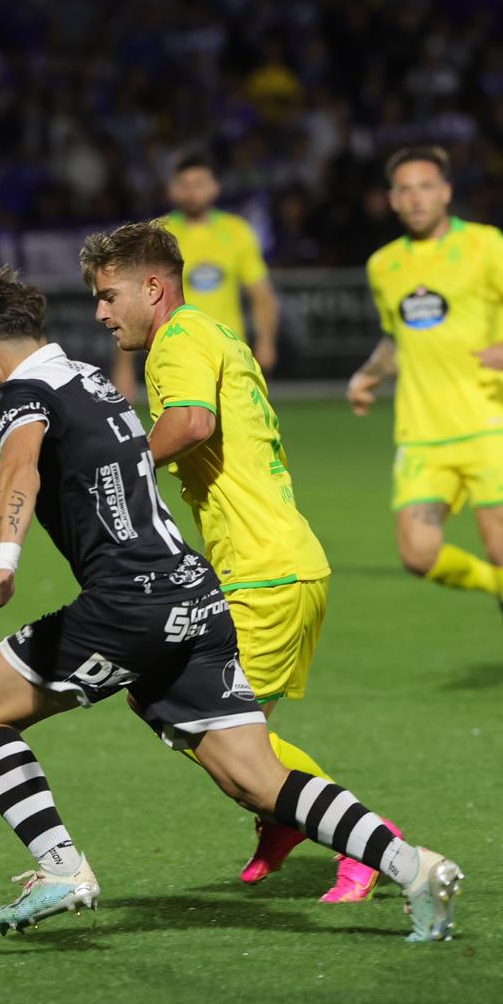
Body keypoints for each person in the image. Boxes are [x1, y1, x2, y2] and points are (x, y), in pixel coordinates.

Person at [0, 266, 464, 941]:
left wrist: (5, 561)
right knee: (256, 779)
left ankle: (61, 868)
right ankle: (416, 867)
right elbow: (43, 470)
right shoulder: (88, 382)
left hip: (126, 604)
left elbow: (23, 468)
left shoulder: (20, 392)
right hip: (193, 597)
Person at [83, 219, 395, 903]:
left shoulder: (178, 342)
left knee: (219, 736)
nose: (101, 313)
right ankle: (281, 819)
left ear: (154, 287)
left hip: (267, 572)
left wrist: (117, 471)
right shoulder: (217, 334)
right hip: (271, 562)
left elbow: (192, 423)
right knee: (160, 697)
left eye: (109, 296)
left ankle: (372, 843)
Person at [346, 145, 503, 704]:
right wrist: (368, 377)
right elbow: (397, 340)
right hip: (420, 431)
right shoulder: (384, 265)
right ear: (393, 201)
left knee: (500, 541)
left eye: (426, 187)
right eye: (405, 190)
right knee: (417, 554)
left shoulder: (486, 245)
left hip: (488, 421)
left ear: (446, 192)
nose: (416, 198)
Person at [111, 150, 279, 401]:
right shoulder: (159, 235)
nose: (192, 192)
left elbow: (261, 295)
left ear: (215, 188)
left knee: (238, 436)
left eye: (199, 184)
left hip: (228, 355)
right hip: (175, 354)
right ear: (172, 190)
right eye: (184, 185)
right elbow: (135, 300)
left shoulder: (237, 232)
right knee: (183, 433)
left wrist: (266, 341)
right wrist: (123, 366)